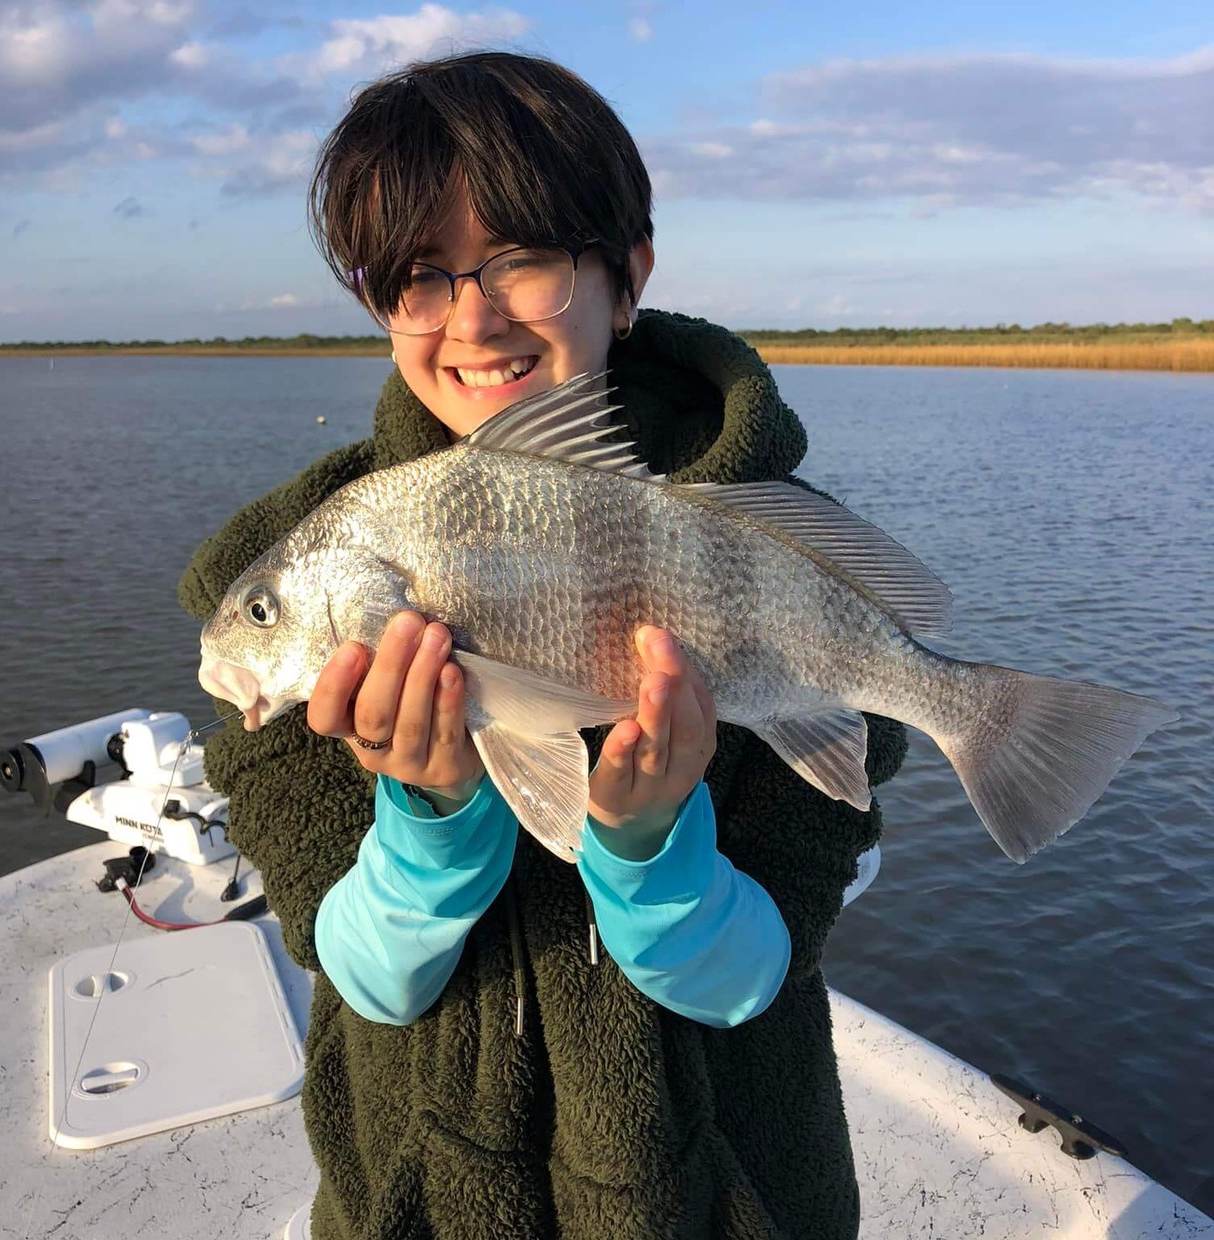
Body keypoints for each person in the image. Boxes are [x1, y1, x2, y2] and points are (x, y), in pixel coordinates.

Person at [180, 51, 906, 1240]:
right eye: (418, 276)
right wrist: (427, 816)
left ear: (625, 278)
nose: (472, 316)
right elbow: (362, 974)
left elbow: (746, 981)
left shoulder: (789, 546)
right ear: (380, 306)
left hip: (726, 1194)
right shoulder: (301, 565)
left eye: (520, 257)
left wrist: (644, 839)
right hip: (424, 1195)